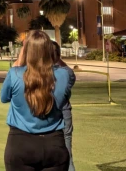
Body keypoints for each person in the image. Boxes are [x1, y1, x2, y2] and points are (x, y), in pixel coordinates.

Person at [1, 30, 71, 171]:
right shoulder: (64, 75)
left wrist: (20, 59)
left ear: (26, 50)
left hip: (20, 144)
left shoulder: (14, 73)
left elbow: (4, 98)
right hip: (54, 143)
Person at [53, 41, 76, 171]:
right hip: (64, 113)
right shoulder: (66, 73)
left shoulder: (41, 73)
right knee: (67, 152)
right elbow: (70, 75)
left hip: (49, 116)